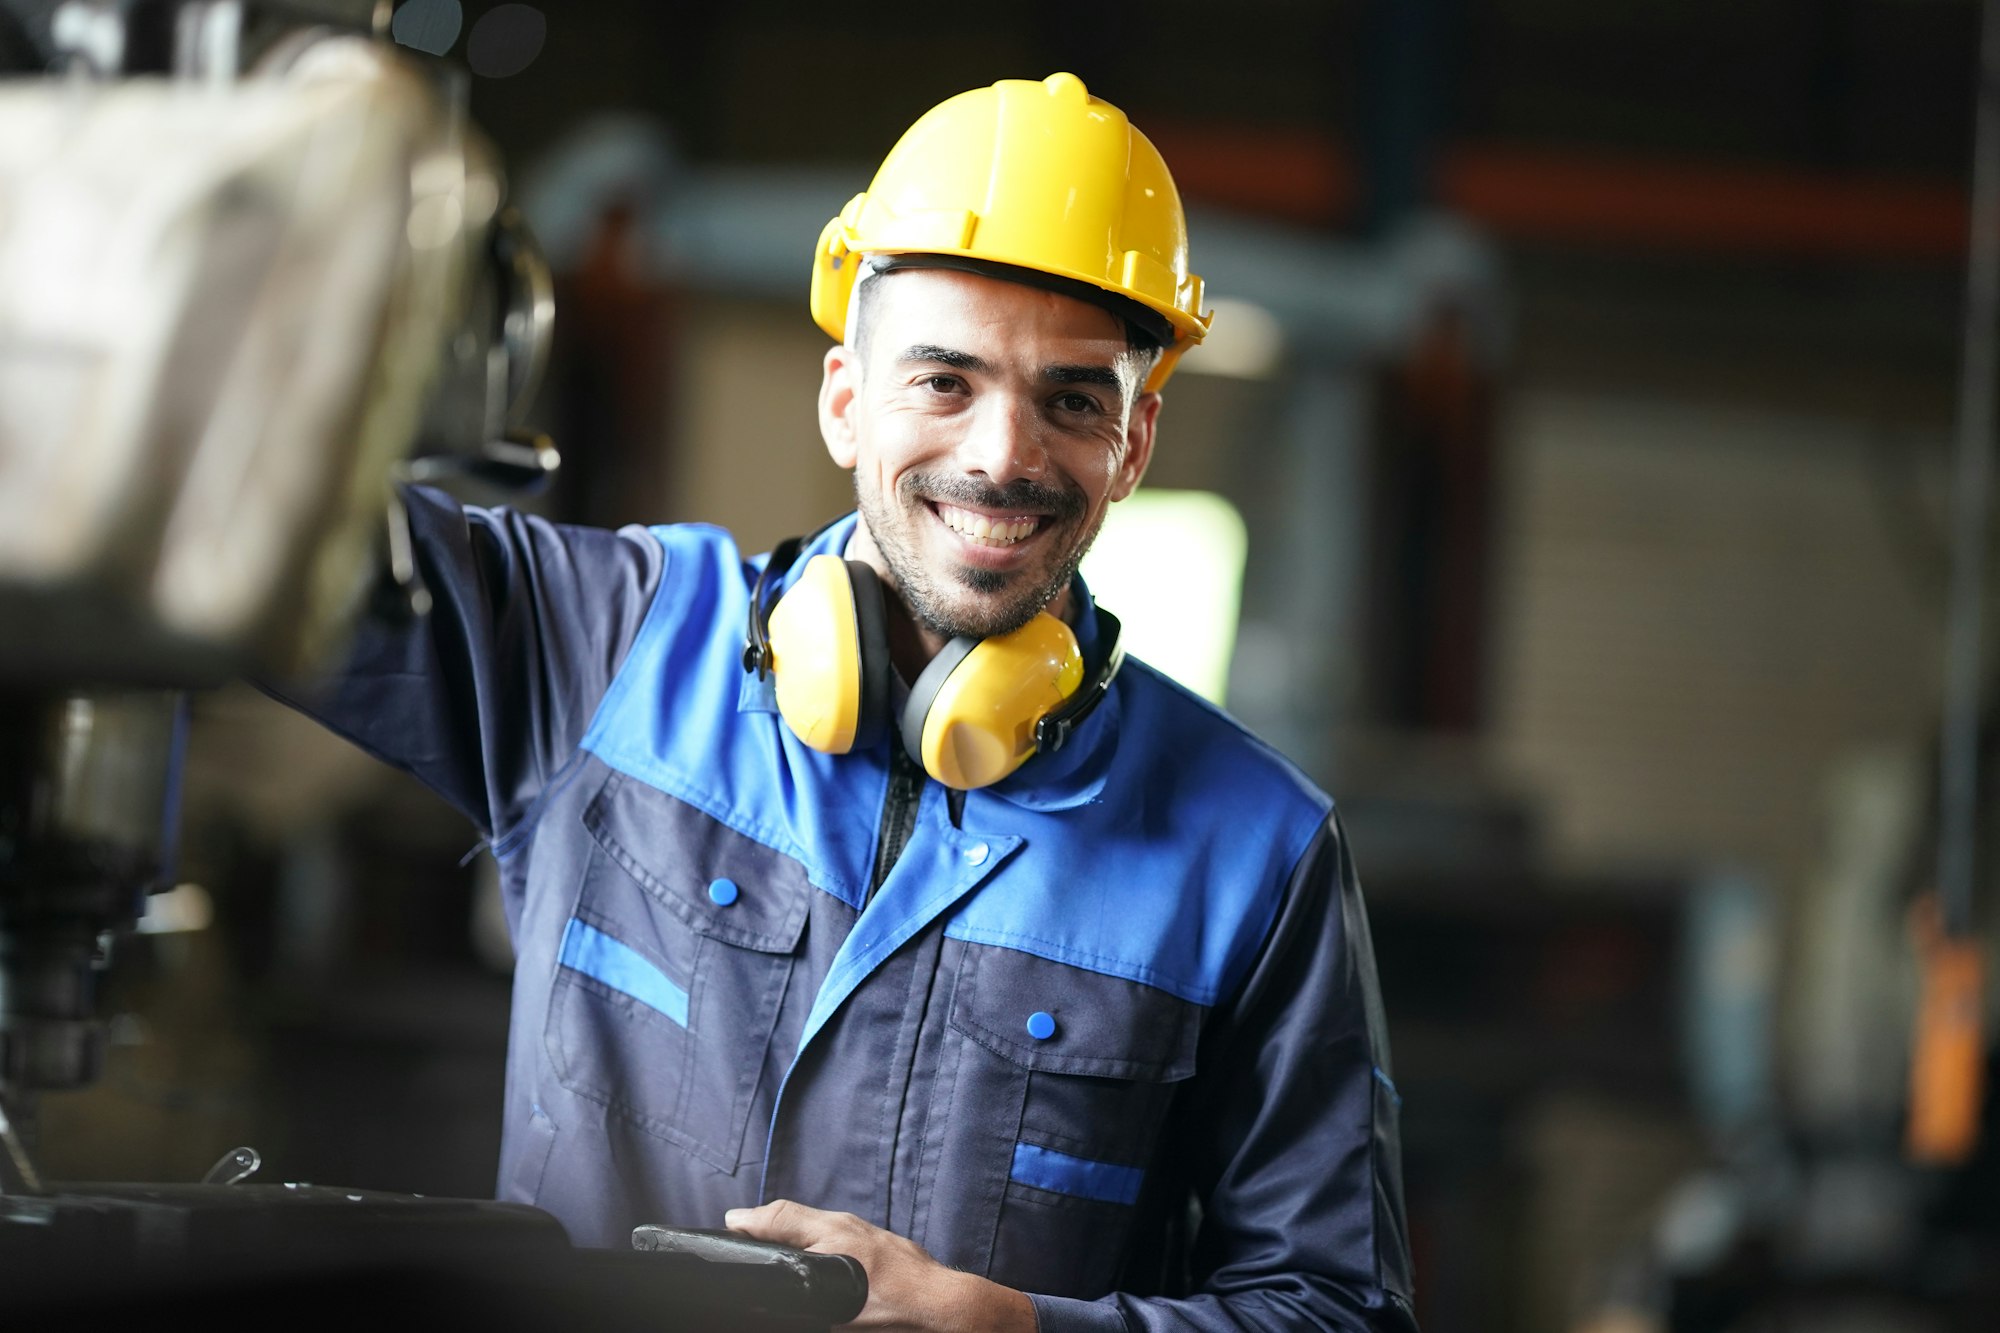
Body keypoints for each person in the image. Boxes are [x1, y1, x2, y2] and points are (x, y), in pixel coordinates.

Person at [283, 72, 1416, 1331]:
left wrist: (1017, 1328)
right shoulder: (597, 649)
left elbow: (1335, 1311)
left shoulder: (1253, 848)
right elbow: (229, 526)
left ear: (1134, 444)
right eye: (943, 380)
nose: (1001, 456)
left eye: (1072, 399)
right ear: (843, 400)